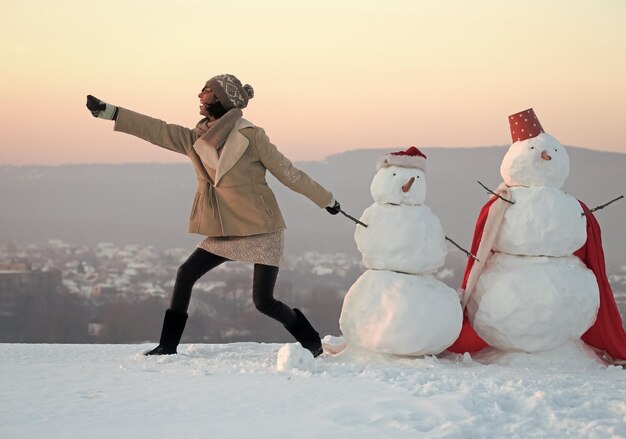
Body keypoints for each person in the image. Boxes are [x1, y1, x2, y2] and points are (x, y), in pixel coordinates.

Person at [86, 74, 340, 357]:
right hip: (226, 227)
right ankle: (167, 346)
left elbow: (289, 173)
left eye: (206, 91)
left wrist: (327, 200)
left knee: (263, 301)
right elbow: (156, 129)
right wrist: (110, 112)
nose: (199, 95)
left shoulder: (251, 136)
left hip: (262, 227)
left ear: (221, 98)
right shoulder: (197, 138)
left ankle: (313, 344)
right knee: (186, 274)